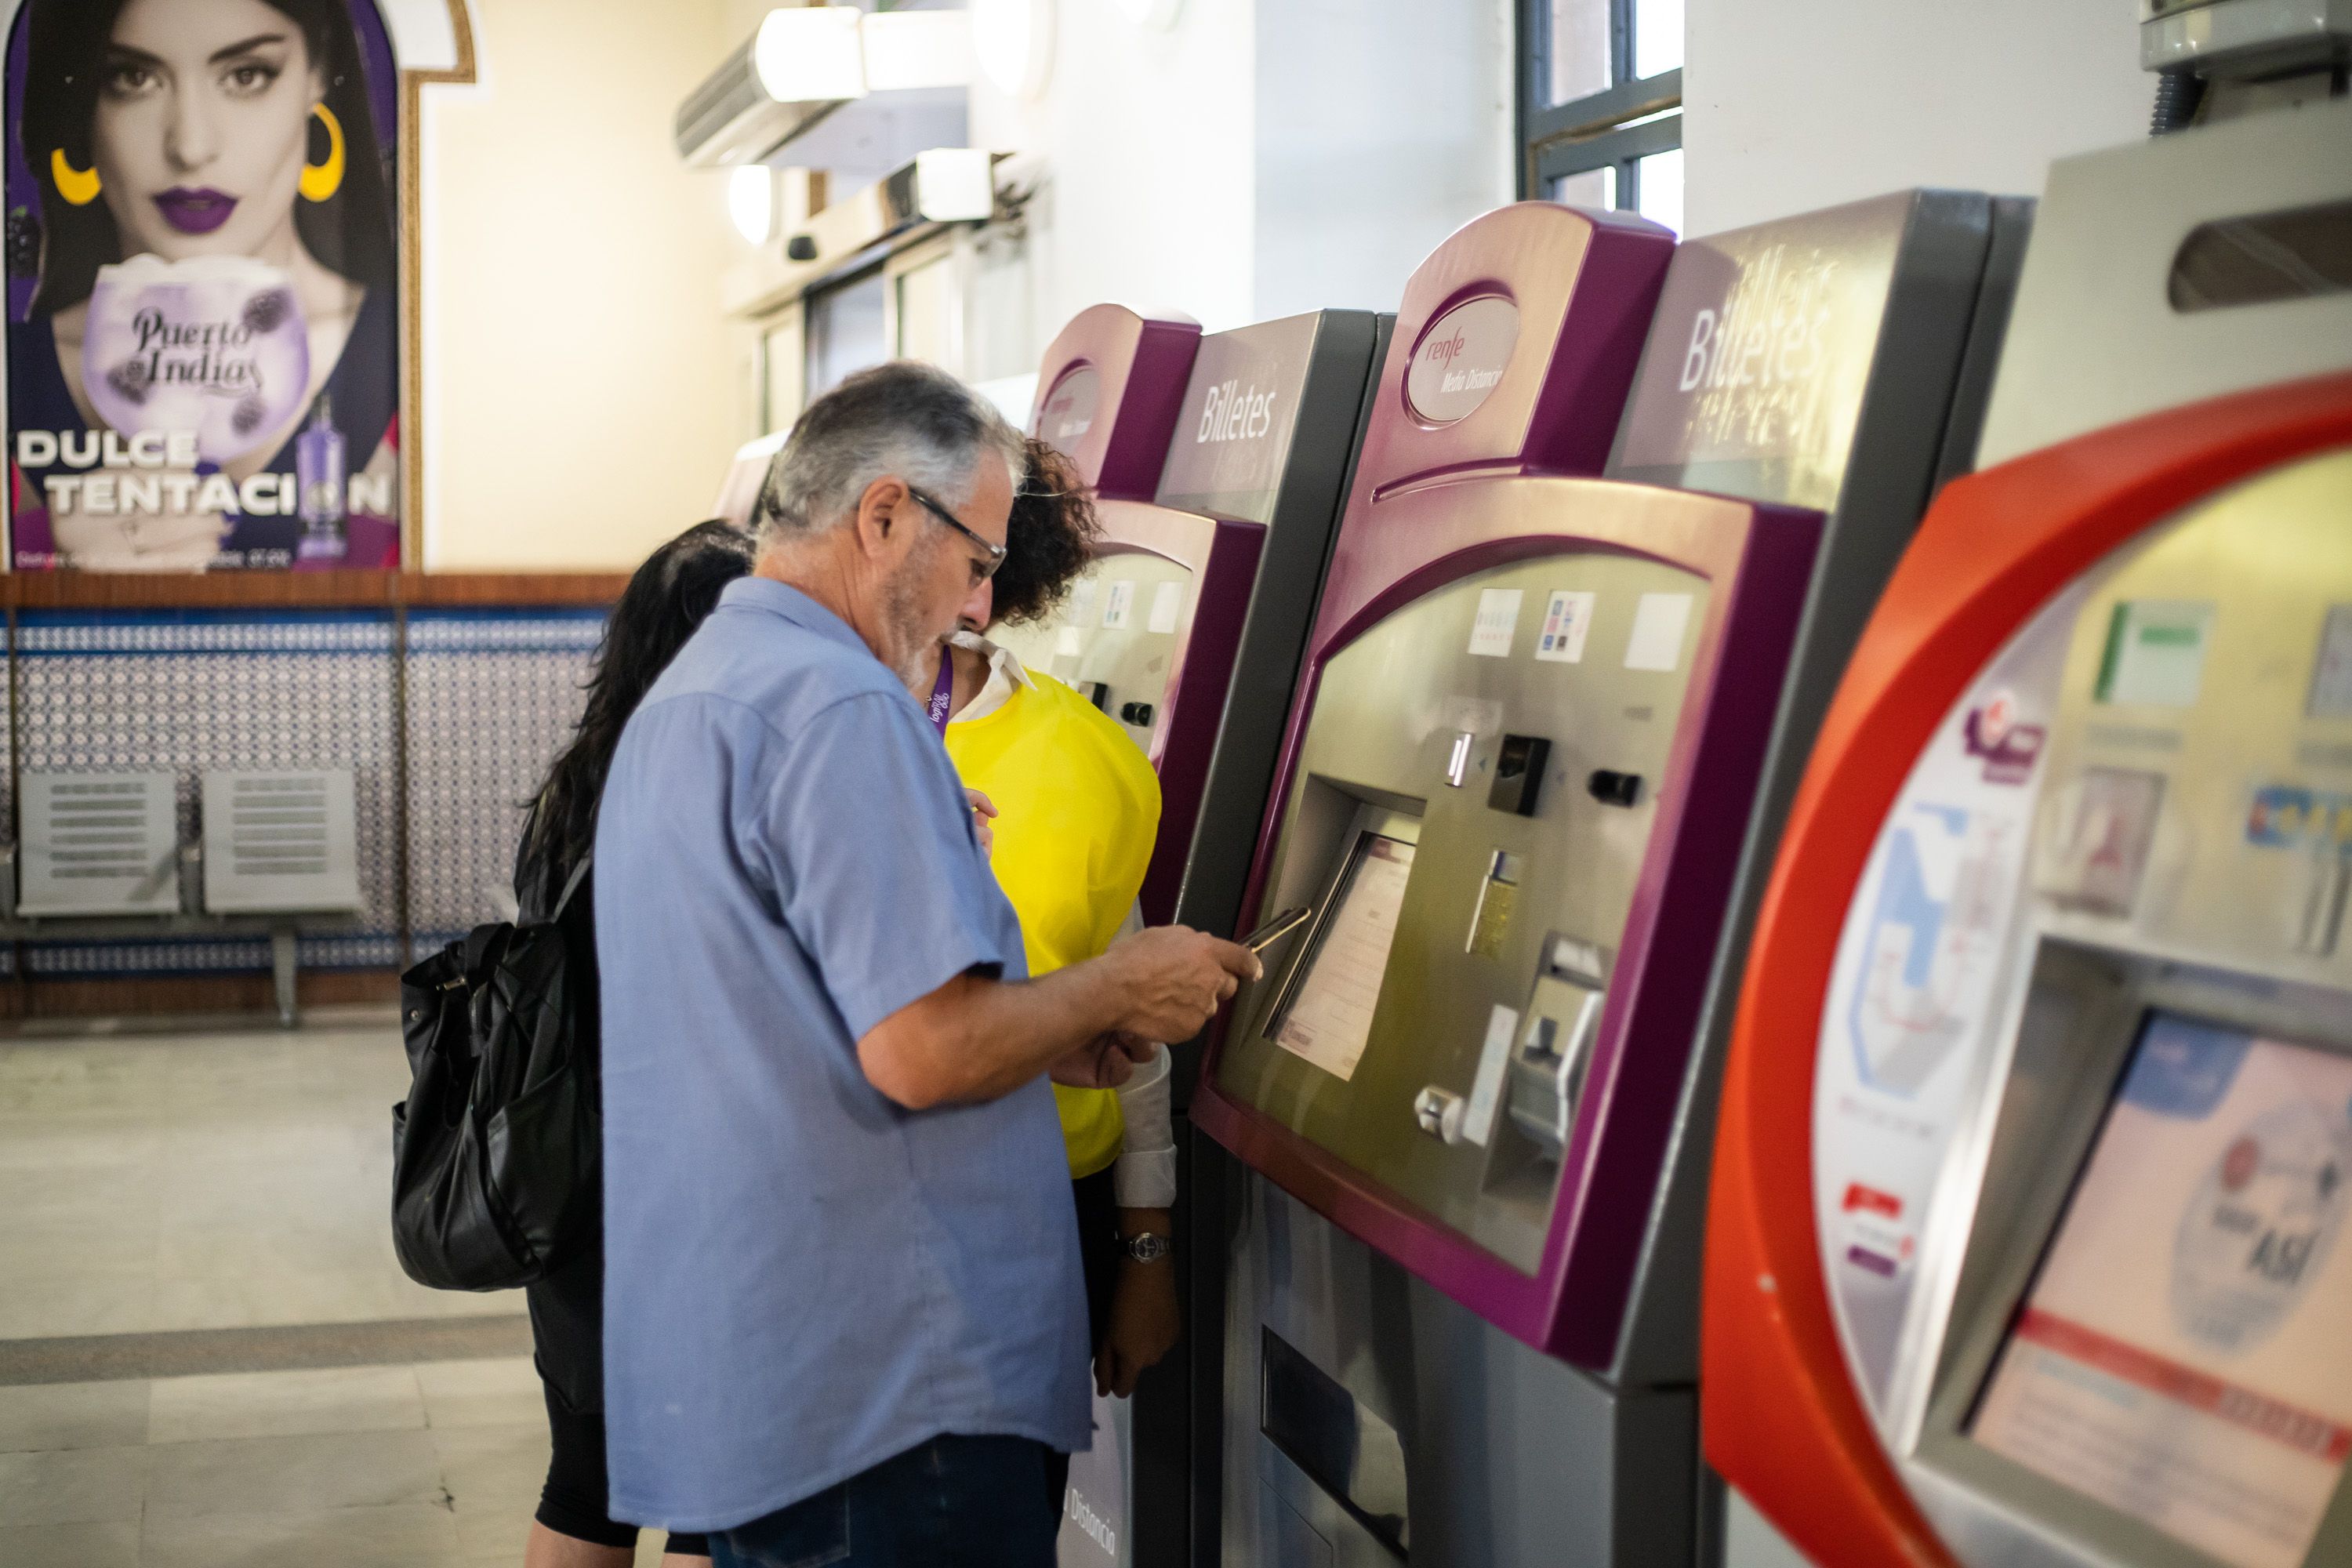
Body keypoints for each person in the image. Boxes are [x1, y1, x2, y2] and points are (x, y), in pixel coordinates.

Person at [592, 360, 1258, 1568]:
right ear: (885, 513)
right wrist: (1120, 982)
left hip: (775, 1366)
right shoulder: (844, 714)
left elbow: (798, 1032)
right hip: (896, 1395)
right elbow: (923, 1049)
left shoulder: (701, 695)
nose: (977, 603)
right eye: (979, 558)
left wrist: (1055, 1033)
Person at [928, 441, 1180, 1490]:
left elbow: (1140, 1036)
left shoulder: (1090, 762)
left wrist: (1144, 1251)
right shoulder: (794, 735)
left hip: (1039, 1220)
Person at [511, 520, 757, 1568]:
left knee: (588, 1484)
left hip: (574, 1187)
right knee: (720, 1502)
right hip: (689, 1198)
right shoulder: (711, 780)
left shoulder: (576, 787)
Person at [13, 0, 399, 568]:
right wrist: (51, 571)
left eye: (246, 76)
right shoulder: (13, 381)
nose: (190, 146)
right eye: (134, 78)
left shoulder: (418, 371)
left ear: (317, 77)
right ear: (86, 104)